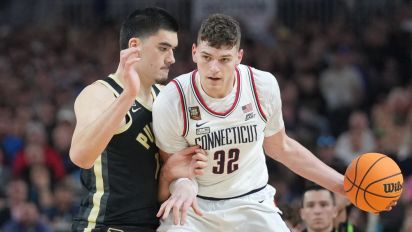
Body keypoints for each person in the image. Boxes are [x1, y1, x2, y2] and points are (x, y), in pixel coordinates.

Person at [152, 13, 347, 231]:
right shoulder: (172, 99)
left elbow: (281, 147)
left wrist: (343, 185)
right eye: (207, 57)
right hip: (197, 205)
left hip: (252, 201)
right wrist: (183, 184)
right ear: (195, 52)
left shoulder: (262, 86)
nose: (214, 68)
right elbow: (173, 166)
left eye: (224, 59)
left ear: (239, 57)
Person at [70, 7, 207, 232]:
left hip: (153, 225)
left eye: (173, 49)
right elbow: (80, 156)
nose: (171, 58)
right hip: (105, 226)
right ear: (135, 47)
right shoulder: (101, 93)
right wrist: (128, 95)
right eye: (163, 48)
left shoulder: (164, 97)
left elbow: (161, 183)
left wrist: (175, 177)